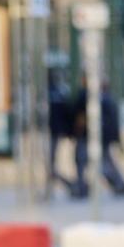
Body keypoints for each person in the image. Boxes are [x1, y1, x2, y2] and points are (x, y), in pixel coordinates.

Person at [72, 76, 124, 198]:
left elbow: (82, 118)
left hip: (93, 136)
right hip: (99, 137)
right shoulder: (106, 99)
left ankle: (83, 187)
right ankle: (119, 184)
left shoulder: (95, 98)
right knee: (101, 162)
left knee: (96, 162)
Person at [45, 70, 74, 198]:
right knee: (50, 164)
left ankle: (67, 184)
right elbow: (67, 113)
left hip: (49, 133)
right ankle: (55, 187)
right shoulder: (60, 93)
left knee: (50, 165)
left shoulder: (46, 94)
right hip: (55, 132)